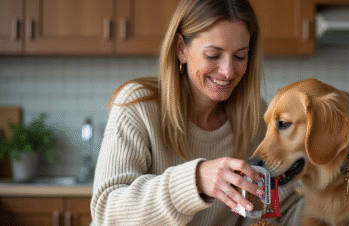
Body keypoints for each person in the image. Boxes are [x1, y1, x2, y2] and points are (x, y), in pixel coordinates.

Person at [90, 0, 304, 225]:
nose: (228, 71)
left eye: (240, 56)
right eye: (213, 55)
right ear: (181, 48)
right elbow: (107, 212)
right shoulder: (138, 105)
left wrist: (333, 196)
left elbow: (281, 210)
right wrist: (195, 181)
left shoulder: (256, 114)